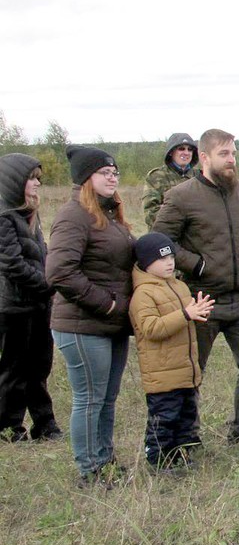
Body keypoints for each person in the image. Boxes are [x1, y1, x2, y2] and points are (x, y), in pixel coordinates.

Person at [152, 128, 239, 444]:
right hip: (202, 301)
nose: (231, 160)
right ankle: (189, 434)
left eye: (233, 153)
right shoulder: (182, 196)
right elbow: (161, 241)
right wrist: (196, 264)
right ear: (204, 157)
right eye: (224, 154)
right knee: (192, 371)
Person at [46, 146, 135, 487]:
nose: (113, 177)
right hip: (83, 326)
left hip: (111, 326)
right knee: (89, 399)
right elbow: (59, 272)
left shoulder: (108, 215)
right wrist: (109, 304)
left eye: (115, 172)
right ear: (86, 178)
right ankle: (89, 471)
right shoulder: (74, 215)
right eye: (104, 172)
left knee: (106, 399)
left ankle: (104, 459)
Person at [129, 233, 213, 473]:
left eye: (171, 257)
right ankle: (158, 461)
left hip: (185, 370)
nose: (169, 263)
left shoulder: (179, 285)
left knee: (186, 416)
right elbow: (151, 328)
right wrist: (186, 314)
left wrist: (198, 311)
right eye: (162, 258)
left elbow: (186, 318)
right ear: (146, 262)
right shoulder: (143, 294)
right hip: (162, 374)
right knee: (164, 419)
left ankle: (182, 456)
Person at [0, 153, 60, 442]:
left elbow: (40, 254)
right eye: (31, 178)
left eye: (38, 178)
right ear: (15, 181)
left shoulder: (29, 213)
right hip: (13, 306)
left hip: (38, 303)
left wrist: (51, 277)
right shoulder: (3, 216)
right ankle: (9, 426)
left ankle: (44, 424)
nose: (37, 184)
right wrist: (48, 284)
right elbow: (11, 264)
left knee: (39, 366)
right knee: (14, 368)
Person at [142, 133, 197, 228]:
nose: (186, 153)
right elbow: (150, 214)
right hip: (167, 236)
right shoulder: (156, 177)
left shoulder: (199, 176)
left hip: (195, 237)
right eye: (181, 149)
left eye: (190, 149)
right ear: (171, 152)